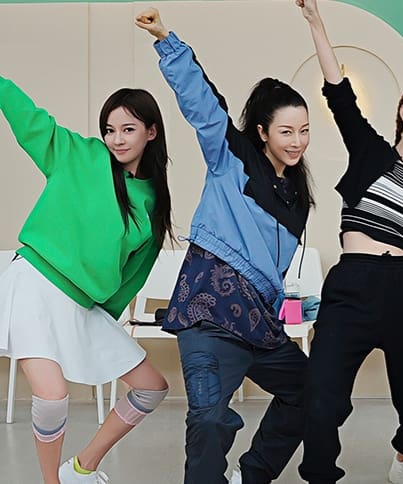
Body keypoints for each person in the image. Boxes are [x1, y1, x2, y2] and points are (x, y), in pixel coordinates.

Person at [136, 8, 313, 484]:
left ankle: (250, 477)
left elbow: (273, 270)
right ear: (262, 132)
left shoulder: (297, 197)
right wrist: (166, 40)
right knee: (210, 420)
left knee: (313, 392)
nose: (297, 141)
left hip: (259, 324)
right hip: (208, 316)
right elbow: (201, 102)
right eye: (286, 131)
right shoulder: (230, 158)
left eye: (304, 130)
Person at [295, 1, 403, 483]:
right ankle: (320, 473)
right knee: (321, 395)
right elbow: (338, 93)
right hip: (353, 283)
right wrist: (315, 22)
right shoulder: (370, 153)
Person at [0, 73, 173, 481]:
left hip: (83, 305)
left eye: (128, 129)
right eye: (110, 130)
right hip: (34, 285)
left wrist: (101, 326)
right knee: (52, 398)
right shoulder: (80, 155)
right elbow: (30, 121)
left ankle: (82, 468)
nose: (116, 139)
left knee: (151, 387)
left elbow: (133, 276)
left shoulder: (153, 200)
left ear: (151, 132)